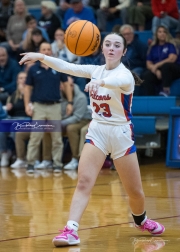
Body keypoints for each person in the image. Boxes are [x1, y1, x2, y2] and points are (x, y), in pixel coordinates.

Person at [19, 32, 165, 247]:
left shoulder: (125, 75)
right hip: (97, 130)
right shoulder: (94, 70)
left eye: (117, 45)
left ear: (123, 51)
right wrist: (41, 57)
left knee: (135, 192)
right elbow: (67, 67)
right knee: (84, 181)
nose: (112, 48)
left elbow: (116, 80)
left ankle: (141, 219)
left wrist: (101, 83)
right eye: (108, 44)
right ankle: (71, 230)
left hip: (120, 134)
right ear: (103, 49)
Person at [23, 42, 73, 173]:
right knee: (35, 137)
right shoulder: (33, 69)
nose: (46, 51)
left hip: (55, 106)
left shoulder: (57, 67)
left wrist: (70, 102)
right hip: (38, 107)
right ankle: (30, 163)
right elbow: (27, 88)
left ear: (52, 51)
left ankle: (57, 164)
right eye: (43, 49)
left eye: (48, 49)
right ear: (39, 51)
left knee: (57, 137)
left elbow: (67, 84)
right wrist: (27, 105)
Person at [0, 71, 29, 167]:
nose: (23, 80)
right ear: (17, 81)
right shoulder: (13, 95)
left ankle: (19, 156)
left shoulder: (32, 93)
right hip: (13, 118)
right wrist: (9, 108)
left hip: (27, 119)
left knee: (14, 130)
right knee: (2, 129)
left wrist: (24, 94)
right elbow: (10, 113)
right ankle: (4, 153)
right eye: (20, 78)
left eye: (25, 78)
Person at [141, 25, 177, 96]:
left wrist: (157, 65)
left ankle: (166, 90)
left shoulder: (171, 45)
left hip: (172, 70)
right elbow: (148, 64)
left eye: (164, 32)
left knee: (166, 66)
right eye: (160, 32)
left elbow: (172, 59)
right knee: (146, 75)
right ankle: (151, 97)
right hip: (158, 70)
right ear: (156, 34)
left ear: (167, 34)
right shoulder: (153, 47)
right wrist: (156, 71)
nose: (162, 33)